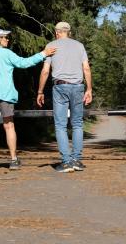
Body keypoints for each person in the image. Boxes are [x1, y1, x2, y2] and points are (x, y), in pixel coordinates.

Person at [0, 28, 56, 172]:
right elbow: (24, 63)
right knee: (9, 126)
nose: (8, 39)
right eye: (5, 37)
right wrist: (43, 54)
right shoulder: (7, 53)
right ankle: (13, 160)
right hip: (5, 93)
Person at [36, 21, 92, 172]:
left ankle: (66, 162)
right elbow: (86, 68)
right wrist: (89, 89)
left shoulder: (51, 46)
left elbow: (45, 71)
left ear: (56, 32)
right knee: (77, 124)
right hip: (78, 86)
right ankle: (77, 160)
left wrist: (40, 91)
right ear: (69, 32)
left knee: (60, 125)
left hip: (60, 87)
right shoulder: (79, 46)